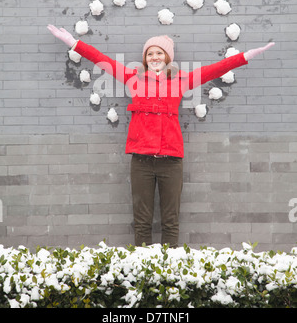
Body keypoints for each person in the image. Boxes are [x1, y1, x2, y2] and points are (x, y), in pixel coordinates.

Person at [47, 24, 274, 248]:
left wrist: (246, 56)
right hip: (141, 161)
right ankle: (144, 272)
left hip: (171, 160)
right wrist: (73, 42)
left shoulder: (182, 80)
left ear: (167, 57)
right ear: (145, 58)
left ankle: (169, 272)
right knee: (142, 221)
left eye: (159, 53)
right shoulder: (132, 77)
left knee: (170, 221)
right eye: (150, 53)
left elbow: (216, 69)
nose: (154, 57)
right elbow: (100, 59)